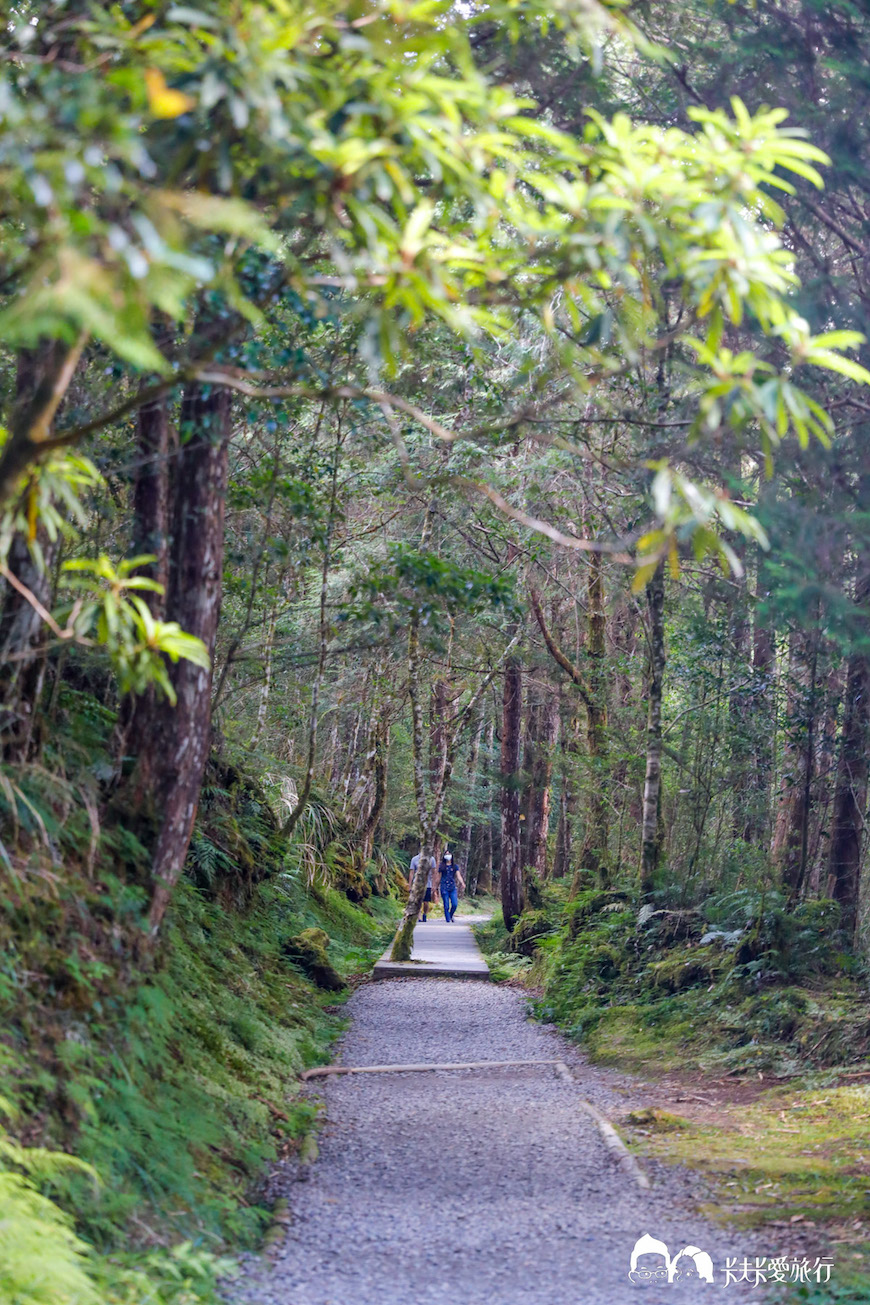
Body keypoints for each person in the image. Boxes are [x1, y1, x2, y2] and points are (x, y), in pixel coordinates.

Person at [409, 849, 436, 922]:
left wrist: (434, 884)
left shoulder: (431, 859)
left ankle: (425, 914)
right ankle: (419, 916)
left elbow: (433, 873)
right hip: (417, 883)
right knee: (417, 901)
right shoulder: (414, 859)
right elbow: (411, 872)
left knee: (426, 902)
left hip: (428, 884)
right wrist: (410, 884)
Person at [437, 849, 464, 922]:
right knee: (446, 905)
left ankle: (451, 915)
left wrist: (462, 883)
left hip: (452, 887)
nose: (448, 856)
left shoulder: (454, 866)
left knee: (454, 904)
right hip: (444, 887)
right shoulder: (441, 866)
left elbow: (458, 876)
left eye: (449, 854)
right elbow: (439, 877)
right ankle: (448, 919)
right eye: (446, 854)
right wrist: (436, 886)